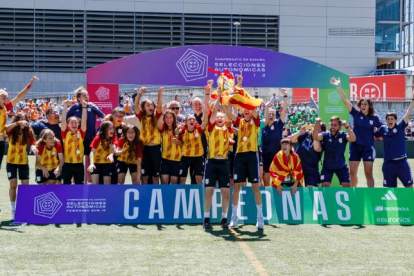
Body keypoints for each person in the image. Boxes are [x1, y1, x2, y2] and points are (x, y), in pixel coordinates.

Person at [330, 77, 382, 187]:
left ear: (369, 106)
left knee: (368, 174)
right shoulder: (356, 114)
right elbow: (345, 100)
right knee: (352, 172)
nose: (363, 106)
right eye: (361, 104)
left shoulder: (375, 118)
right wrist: (339, 86)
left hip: (368, 148)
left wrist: (378, 134)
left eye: (365, 104)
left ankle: (370, 195)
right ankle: (354, 194)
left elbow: (383, 129)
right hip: (355, 147)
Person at [225, 105, 265, 230]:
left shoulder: (256, 121)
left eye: (249, 110)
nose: (247, 111)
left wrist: (248, 103)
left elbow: (254, 111)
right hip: (240, 156)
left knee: (255, 187)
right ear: (242, 111)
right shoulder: (239, 121)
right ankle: (234, 217)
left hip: (252, 156)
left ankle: (260, 217)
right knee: (236, 186)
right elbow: (228, 113)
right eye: (245, 109)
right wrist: (227, 101)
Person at [203, 87, 232, 229]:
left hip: (224, 163)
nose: (219, 118)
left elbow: (229, 113)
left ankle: (224, 218)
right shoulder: (211, 128)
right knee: (209, 190)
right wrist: (219, 95)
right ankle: (206, 217)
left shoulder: (228, 129)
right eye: (218, 117)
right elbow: (213, 112)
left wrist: (228, 99)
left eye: (222, 117)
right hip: (212, 162)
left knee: (225, 192)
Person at [374, 90, 414, 188]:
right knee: (389, 191)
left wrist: (413, 99)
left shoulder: (400, 127)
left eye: (392, 119)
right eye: (388, 119)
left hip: (402, 162)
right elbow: (370, 132)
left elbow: (408, 113)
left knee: (409, 187)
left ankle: (409, 204)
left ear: (396, 120)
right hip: (388, 164)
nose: (390, 120)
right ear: (386, 120)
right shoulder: (383, 129)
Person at [66, 87, 105, 183]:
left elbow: (103, 117)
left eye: (87, 95)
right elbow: (66, 120)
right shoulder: (74, 107)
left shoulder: (92, 106)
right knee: (77, 162)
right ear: (78, 98)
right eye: (84, 95)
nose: (87, 97)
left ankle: (89, 183)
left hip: (90, 138)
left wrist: (99, 131)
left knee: (90, 162)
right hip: (77, 139)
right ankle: (76, 183)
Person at [0, 76, 38, 170]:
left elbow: (18, 97)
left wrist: (29, 85)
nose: (6, 99)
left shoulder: (5, 108)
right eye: (3, 97)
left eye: (6, 97)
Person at [5, 113, 37, 220]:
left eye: (25, 119)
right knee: (13, 185)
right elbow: (6, 128)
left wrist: (33, 147)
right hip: (11, 161)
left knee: (25, 187)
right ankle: (13, 210)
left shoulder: (28, 131)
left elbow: (33, 142)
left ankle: (23, 210)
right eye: (20, 119)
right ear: (17, 120)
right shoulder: (12, 130)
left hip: (23, 162)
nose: (23, 121)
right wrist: (17, 123)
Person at [313, 117, 356, 187]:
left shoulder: (343, 135)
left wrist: (347, 127)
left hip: (341, 166)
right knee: (325, 185)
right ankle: (327, 198)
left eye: (335, 125)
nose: (333, 127)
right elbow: (315, 137)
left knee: (347, 185)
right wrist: (317, 124)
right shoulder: (325, 135)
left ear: (340, 126)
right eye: (331, 125)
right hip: (327, 167)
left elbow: (353, 138)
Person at [134, 87, 163, 184]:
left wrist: (159, 93)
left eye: (152, 105)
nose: (151, 106)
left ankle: (155, 192)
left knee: (155, 176)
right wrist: (140, 93)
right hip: (145, 148)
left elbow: (159, 106)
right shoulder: (141, 116)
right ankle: (145, 193)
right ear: (143, 107)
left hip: (156, 148)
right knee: (145, 176)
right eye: (148, 105)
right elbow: (136, 105)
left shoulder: (157, 116)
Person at [261, 88, 288, 186]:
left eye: (273, 113)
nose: (271, 114)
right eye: (269, 113)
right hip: (266, 155)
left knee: (278, 172)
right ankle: (267, 190)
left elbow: (284, 110)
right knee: (266, 173)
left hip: (277, 154)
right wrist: (266, 107)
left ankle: (278, 190)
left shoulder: (279, 124)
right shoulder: (263, 128)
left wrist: (285, 96)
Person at [60, 100, 87, 184]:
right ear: (68, 125)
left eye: (76, 122)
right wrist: (65, 107)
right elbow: (63, 120)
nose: (74, 124)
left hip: (79, 164)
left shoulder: (81, 132)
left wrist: (84, 107)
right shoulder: (65, 132)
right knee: (65, 186)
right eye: (72, 122)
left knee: (79, 186)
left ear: (78, 124)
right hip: (67, 164)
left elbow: (84, 120)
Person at [158, 109, 181, 185]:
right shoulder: (162, 129)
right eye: (166, 117)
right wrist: (162, 114)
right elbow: (158, 124)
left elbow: (185, 145)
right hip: (165, 159)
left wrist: (178, 142)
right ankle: (165, 197)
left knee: (174, 182)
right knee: (164, 182)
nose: (169, 119)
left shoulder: (179, 129)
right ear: (164, 119)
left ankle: (172, 197)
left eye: (170, 117)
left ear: (174, 118)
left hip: (176, 160)